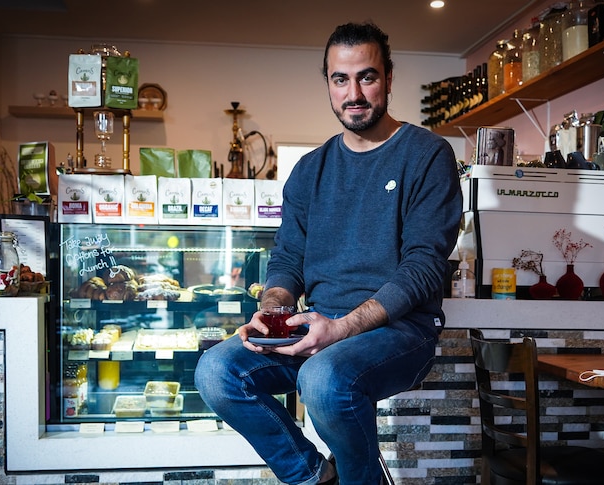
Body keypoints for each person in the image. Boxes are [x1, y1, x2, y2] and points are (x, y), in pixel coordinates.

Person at [195, 22, 462, 485]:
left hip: (400, 332)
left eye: (367, 77)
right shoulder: (310, 168)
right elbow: (287, 258)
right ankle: (314, 475)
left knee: (323, 379)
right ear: (329, 84)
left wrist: (339, 328)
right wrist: (273, 310)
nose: (354, 92)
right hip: (317, 329)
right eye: (341, 79)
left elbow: (424, 268)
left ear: (389, 79)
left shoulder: (427, 154)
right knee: (216, 370)